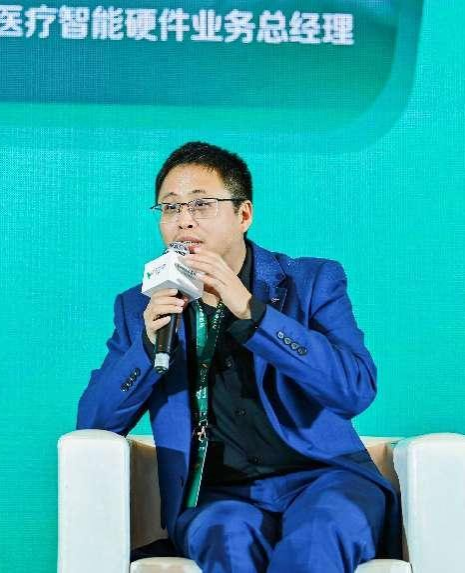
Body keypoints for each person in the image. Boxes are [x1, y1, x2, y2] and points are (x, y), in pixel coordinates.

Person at [76, 141, 401, 572]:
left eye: (201, 204)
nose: (184, 220)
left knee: (317, 538)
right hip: (218, 496)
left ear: (243, 215)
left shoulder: (310, 281)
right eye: (170, 208)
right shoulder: (140, 306)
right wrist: (148, 346)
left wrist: (252, 312)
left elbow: (354, 390)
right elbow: (94, 424)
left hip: (326, 478)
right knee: (226, 540)